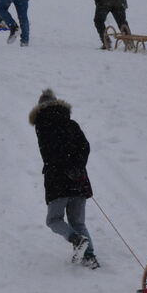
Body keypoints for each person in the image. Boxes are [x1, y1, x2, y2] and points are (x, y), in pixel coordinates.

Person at [29, 89, 98, 269]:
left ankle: (76, 239)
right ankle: (89, 257)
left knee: (54, 220)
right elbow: (85, 147)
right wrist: (77, 166)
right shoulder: (71, 124)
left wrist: (65, 167)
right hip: (79, 179)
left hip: (57, 180)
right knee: (78, 221)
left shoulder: (42, 126)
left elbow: (51, 153)